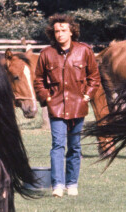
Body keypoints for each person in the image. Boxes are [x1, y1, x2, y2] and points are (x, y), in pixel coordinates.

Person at [34, 14, 100, 197]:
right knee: (57, 145)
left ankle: (72, 184)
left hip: (78, 107)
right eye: (56, 31)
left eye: (63, 30)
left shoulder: (84, 51)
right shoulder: (46, 54)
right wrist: (46, 98)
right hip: (56, 107)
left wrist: (87, 96)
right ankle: (57, 185)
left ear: (71, 31)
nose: (60, 34)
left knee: (75, 147)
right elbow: (38, 80)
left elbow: (94, 78)